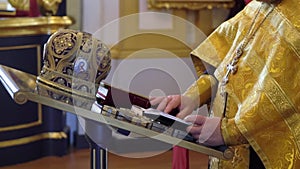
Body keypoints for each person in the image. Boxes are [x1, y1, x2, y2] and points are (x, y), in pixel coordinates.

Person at [150, 0, 300, 168]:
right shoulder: (255, 8)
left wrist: (229, 131)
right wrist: (192, 97)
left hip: (267, 152)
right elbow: (225, 67)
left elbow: (289, 98)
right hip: (228, 148)